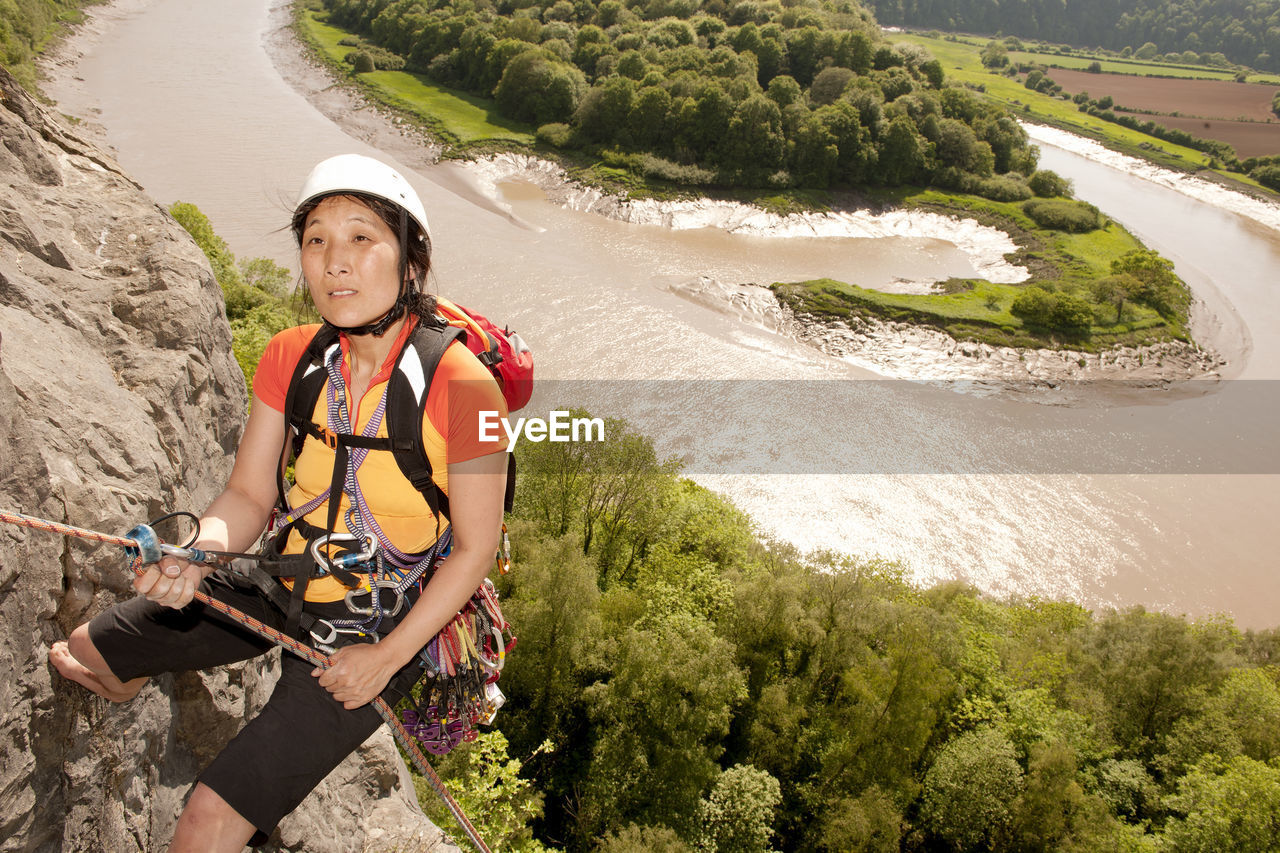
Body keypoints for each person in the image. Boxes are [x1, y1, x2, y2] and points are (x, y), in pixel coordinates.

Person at [49, 153, 509, 851]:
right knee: (87, 648)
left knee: (205, 823)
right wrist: (194, 556)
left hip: (378, 624)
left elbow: (475, 549)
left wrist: (384, 657)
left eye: (362, 237)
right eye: (316, 239)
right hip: (283, 580)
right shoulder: (291, 356)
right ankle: (123, 678)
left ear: (411, 263)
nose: (335, 261)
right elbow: (247, 493)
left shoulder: (466, 386)